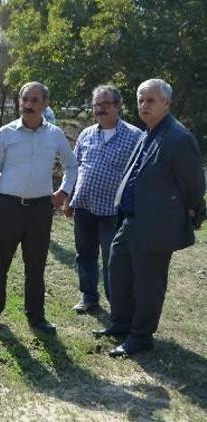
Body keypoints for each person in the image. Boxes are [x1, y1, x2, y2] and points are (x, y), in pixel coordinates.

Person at [96, 79, 206, 357]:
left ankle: (141, 337)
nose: (144, 105)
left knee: (148, 285)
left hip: (156, 226)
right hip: (130, 221)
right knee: (116, 271)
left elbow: (194, 185)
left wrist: (193, 210)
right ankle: (121, 324)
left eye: (151, 100)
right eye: (141, 100)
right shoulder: (149, 132)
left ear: (167, 103)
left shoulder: (179, 138)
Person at [0, 81, 78, 334]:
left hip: (40, 210)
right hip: (8, 208)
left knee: (36, 265)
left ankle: (36, 316)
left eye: (35, 100)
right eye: (25, 99)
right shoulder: (5, 133)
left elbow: (72, 165)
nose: (29, 105)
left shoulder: (54, 134)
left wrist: (64, 191)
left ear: (45, 104)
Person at [64, 86, 142, 313]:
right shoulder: (86, 134)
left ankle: (118, 304)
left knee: (113, 262)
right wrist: (68, 198)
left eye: (106, 104)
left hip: (113, 212)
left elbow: (139, 175)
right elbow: (74, 168)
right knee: (85, 255)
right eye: (97, 105)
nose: (100, 109)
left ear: (118, 106)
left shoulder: (135, 136)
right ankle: (89, 298)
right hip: (85, 207)